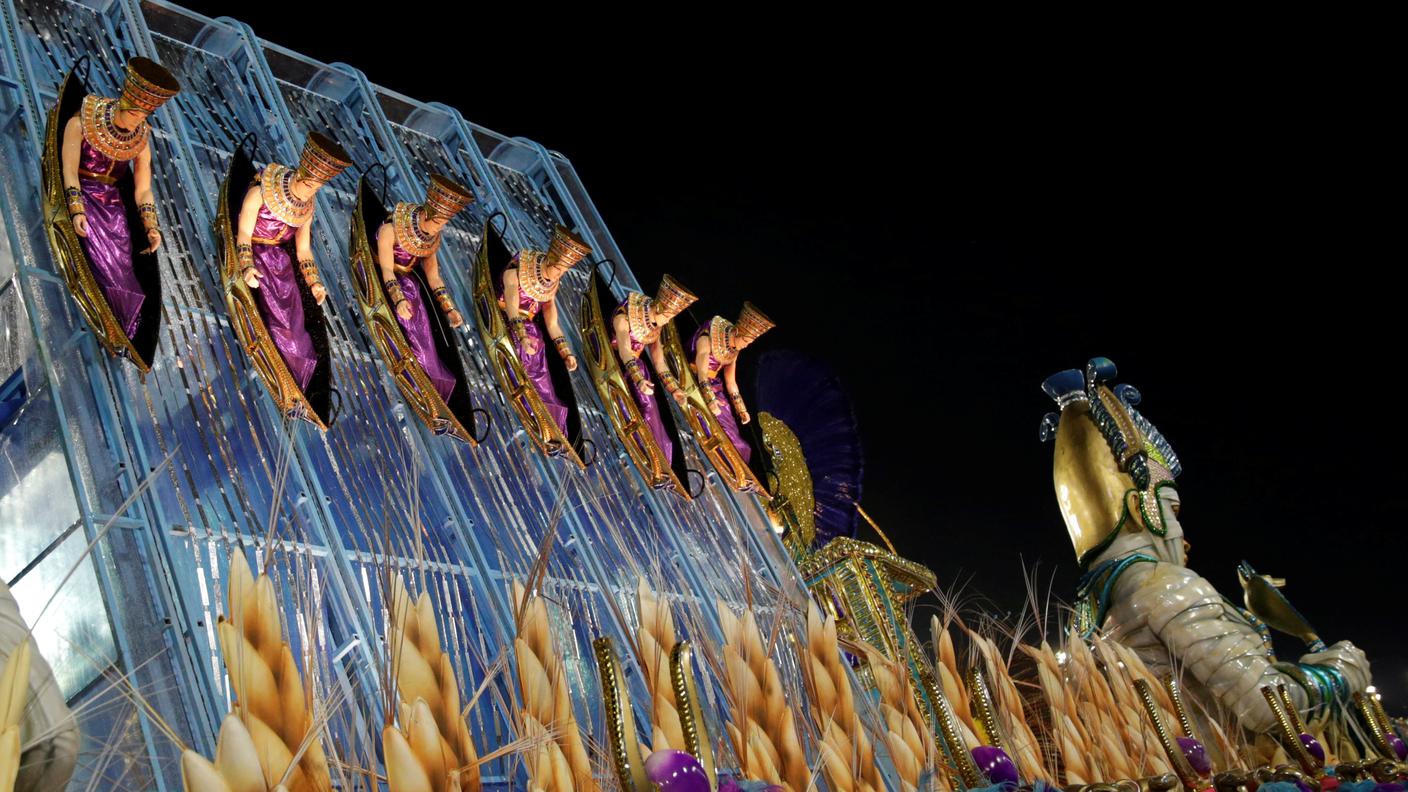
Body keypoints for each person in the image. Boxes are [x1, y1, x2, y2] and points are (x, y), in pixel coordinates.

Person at [60, 57, 180, 337]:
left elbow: (143, 188)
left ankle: (123, 324)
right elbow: (68, 171)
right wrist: (76, 208)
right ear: (128, 106)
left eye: (145, 117)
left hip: (114, 207)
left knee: (123, 268)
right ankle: (111, 319)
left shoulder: (140, 138)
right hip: (87, 197)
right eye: (138, 114)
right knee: (102, 265)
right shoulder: (81, 123)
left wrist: (151, 225)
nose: (141, 121)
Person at [235, 132, 351, 390]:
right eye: (312, 184)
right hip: (258, 255)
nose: (314, 190)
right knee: (279, 321)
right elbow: (243, 232)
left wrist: (314, 282)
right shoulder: (260, 192)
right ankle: (288, 369)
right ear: (301, 175)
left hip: (281, 263)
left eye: (319, 187)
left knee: (295, 319)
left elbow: (304, 250)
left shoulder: (307, 206)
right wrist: (246, 264)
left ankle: (302, 370)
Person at [376, 173, 474, 402]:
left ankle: (432, 381)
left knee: (425, 337)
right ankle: (419, 382)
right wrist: (398, 299)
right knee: (408, 328)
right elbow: (387, 270)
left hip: (411, 287)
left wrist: (450, 308)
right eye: (439, 222)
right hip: (390, 281)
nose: (441, 227)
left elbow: (434, 278)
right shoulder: (392, 229)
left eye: (444, 224)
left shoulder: (431, 239)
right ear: (428, 214)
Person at [500, 226, 592, 433]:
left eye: (565, 271)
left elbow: (553, 324)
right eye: (560, 269)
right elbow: (512, 307)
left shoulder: (552, 285)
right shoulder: (517, 271)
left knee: (543, 376)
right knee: (527, 356)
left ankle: (550, 416)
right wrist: (521, 335)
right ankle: (534, 411)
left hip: (532, 334)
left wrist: (566, 352)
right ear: (551, 261)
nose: (562, 274)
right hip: (508, 321)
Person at [611, 275, 698, 461]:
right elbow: (625, 351)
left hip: (638, 368)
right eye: (666, 316)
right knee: (645, 405)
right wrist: (638, 378)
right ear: (658, 308)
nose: (667, 322)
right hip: (620, 361)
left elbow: (659, 362)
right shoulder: (624, 316)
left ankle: (659, 452)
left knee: (652, 408)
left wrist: (674, 389)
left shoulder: (655, 326)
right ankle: (648, 450)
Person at [690, 302, 774, 462]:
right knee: (725, 436)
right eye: (746, 340)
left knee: (739, 441)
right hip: (698, 384)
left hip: (716, 389)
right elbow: (701, 373)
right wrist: (710, 399)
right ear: (737, 332)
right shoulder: (708, 339)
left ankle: (734, 467)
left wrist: (741, 409)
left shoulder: (733, 351)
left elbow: (731, 382)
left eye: (750, 342)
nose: (747, 345)